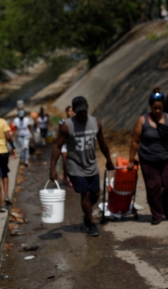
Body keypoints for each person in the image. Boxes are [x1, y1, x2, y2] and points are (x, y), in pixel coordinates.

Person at [49, 96, 114, 237]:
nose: (82, 114)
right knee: (85, 194)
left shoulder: (95, 123)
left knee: (96, 193)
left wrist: (108, 159)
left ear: (88, 108)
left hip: (91, 165)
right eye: (79, 112)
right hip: (75, 166)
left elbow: (102, 143)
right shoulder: (67, 126)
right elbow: (57, 147)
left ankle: (87, 214)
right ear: (73, 111)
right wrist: (52, 168)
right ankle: (91, 225)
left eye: (84, 111)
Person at [127, 88, 168, 225]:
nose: (157, 111)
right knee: (153, 187)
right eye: (155, 108)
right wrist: (131, 160)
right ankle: (157, 214)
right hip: (148, 160)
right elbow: (135, 141)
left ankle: (165, 207)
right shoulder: (142, 121)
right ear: (151, 107)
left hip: (166, 157)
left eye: (160, 108)